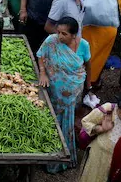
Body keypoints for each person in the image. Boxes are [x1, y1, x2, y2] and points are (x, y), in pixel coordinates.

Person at [36, 16, 90, 171]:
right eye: (58, 32)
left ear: (74, 35)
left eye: (64, 34)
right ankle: (46, 153)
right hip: (54, 89)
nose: (60, 36)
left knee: (66, 120)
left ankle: (62, 157)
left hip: (73, 89)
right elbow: (41, 55)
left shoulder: (83, 45)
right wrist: (43, 73)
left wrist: (88, 85)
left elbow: (88, 64)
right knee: (51, 117)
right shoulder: (51, 41)